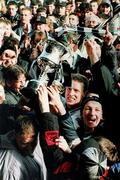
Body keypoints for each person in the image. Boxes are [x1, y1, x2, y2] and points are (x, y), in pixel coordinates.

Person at [0, 114, 47, 179]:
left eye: (33, 143)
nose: (30, 148)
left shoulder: (35, 138)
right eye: (24, 144)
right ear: (15, 135)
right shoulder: (12, 169)